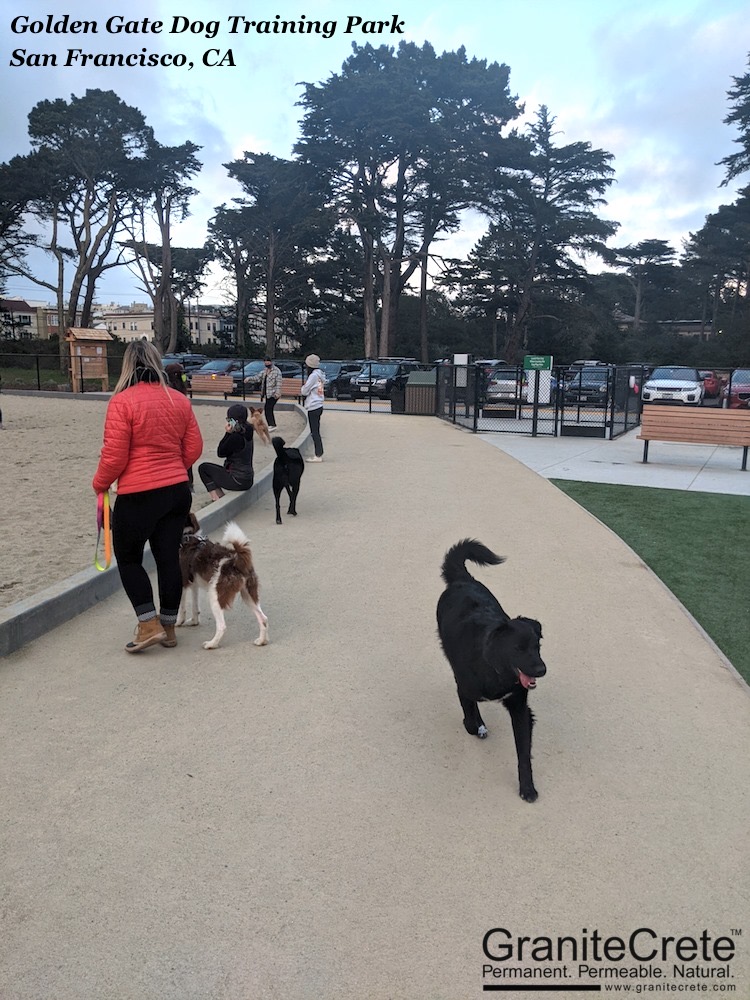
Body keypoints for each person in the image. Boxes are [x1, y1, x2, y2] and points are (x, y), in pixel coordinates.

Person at [92, 339, 203, 653]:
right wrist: (173, 469)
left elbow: (114, 457)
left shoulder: (122, 402)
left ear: (128, 365)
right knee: (167, 557)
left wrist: (99, 484)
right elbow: (194, 448)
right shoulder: (179, 400)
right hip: (176, 491)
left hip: (138, 494)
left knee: (128, 558)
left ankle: (147, 622)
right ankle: (168, 627)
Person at [198, 403, 255, 500]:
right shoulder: (248, 431)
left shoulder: (236, 437)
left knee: (203, 468)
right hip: (248, 479)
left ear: (233, 421)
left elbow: (220, 453)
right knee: (215, 471)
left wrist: (227, 434)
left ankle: (216, 498)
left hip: (237, 480)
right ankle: (219, 497)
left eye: (228, 419)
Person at [164, 361, 195, 490]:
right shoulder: (182, 393)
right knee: (185, 450)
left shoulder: (166, 391)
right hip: (182, 427)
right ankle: (189, 481)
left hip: (169, 428)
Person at [301, 353, 325, 462]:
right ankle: (319, 452)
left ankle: (318, 454)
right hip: (319, 404)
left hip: (313, 405)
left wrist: (303, 388)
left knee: (314, 431)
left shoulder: (313, 376)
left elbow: (304, 391)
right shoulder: (320, 375)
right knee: (316, 430)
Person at [260, 356, 282, 429]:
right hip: (267, 393)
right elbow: (258, 377)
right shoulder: (265, 370)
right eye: (265, 362)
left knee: (268, 408)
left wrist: (277, 393)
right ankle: (271, 424)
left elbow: (279, 382)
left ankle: (272, 424)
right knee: (268, 408)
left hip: (273, 393)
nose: (266, 363)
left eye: (267, 361)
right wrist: (249, 379)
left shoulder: (277, 371)